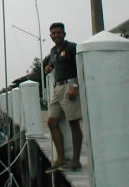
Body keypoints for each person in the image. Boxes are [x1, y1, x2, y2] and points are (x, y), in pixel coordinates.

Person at [44, 22, 83, 172]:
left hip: (70, 85)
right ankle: (60, 158)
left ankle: (75, 160)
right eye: (53, 33)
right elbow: (52, 64)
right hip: (57, 87)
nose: (56, 35)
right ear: (50, 36)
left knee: (73, 123)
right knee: (51, 122)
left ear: (64, 34)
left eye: (59, 33)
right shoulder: (53, 50)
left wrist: (75, 87)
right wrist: (49, 67)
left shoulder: (72, 47)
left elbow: (80, 67)